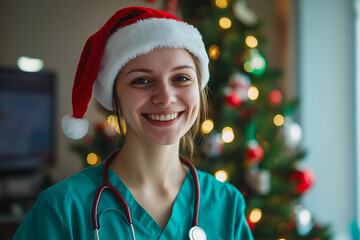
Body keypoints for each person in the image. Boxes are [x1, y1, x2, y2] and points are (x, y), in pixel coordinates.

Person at [13, 6, 254, 240]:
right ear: (114, 95)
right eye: (141, 80)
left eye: (181, 78)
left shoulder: (227, 205)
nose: (166, 97)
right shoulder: (62, 209)